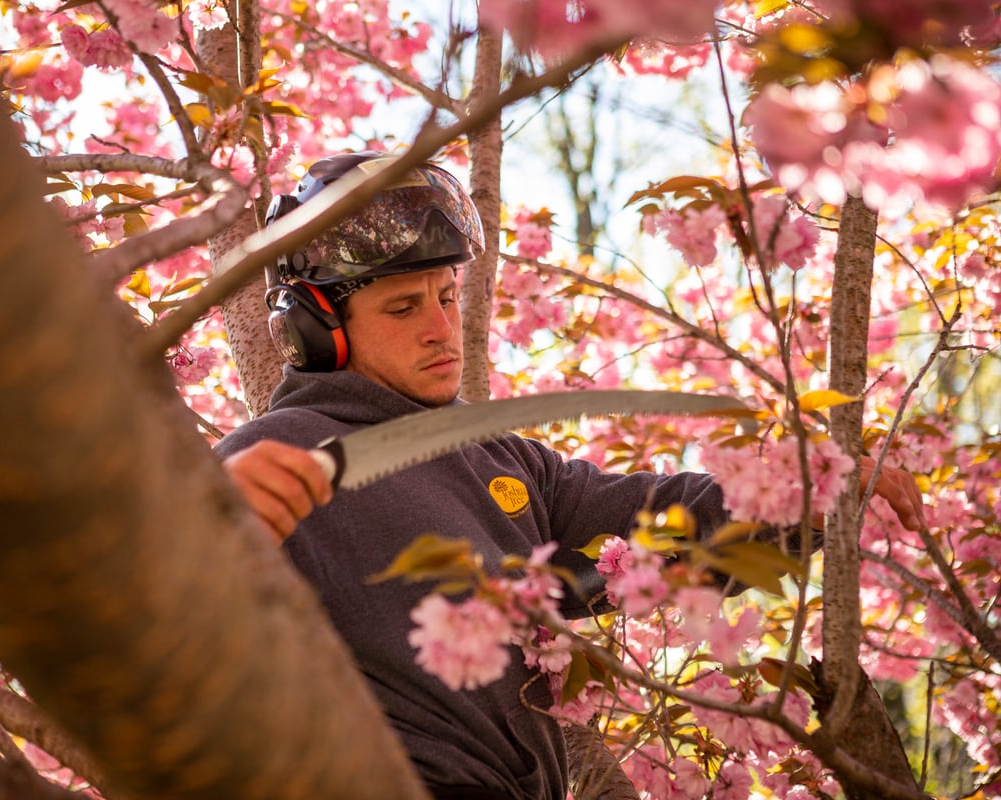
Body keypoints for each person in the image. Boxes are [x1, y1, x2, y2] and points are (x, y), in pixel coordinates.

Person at [215, 151, 927, 800]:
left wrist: (811, 491)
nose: (441, 327)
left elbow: (661, 523)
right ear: (315, 331)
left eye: (447, 295)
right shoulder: (272, 459)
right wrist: (210, 521)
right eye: (403, 307)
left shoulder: (498, 458)